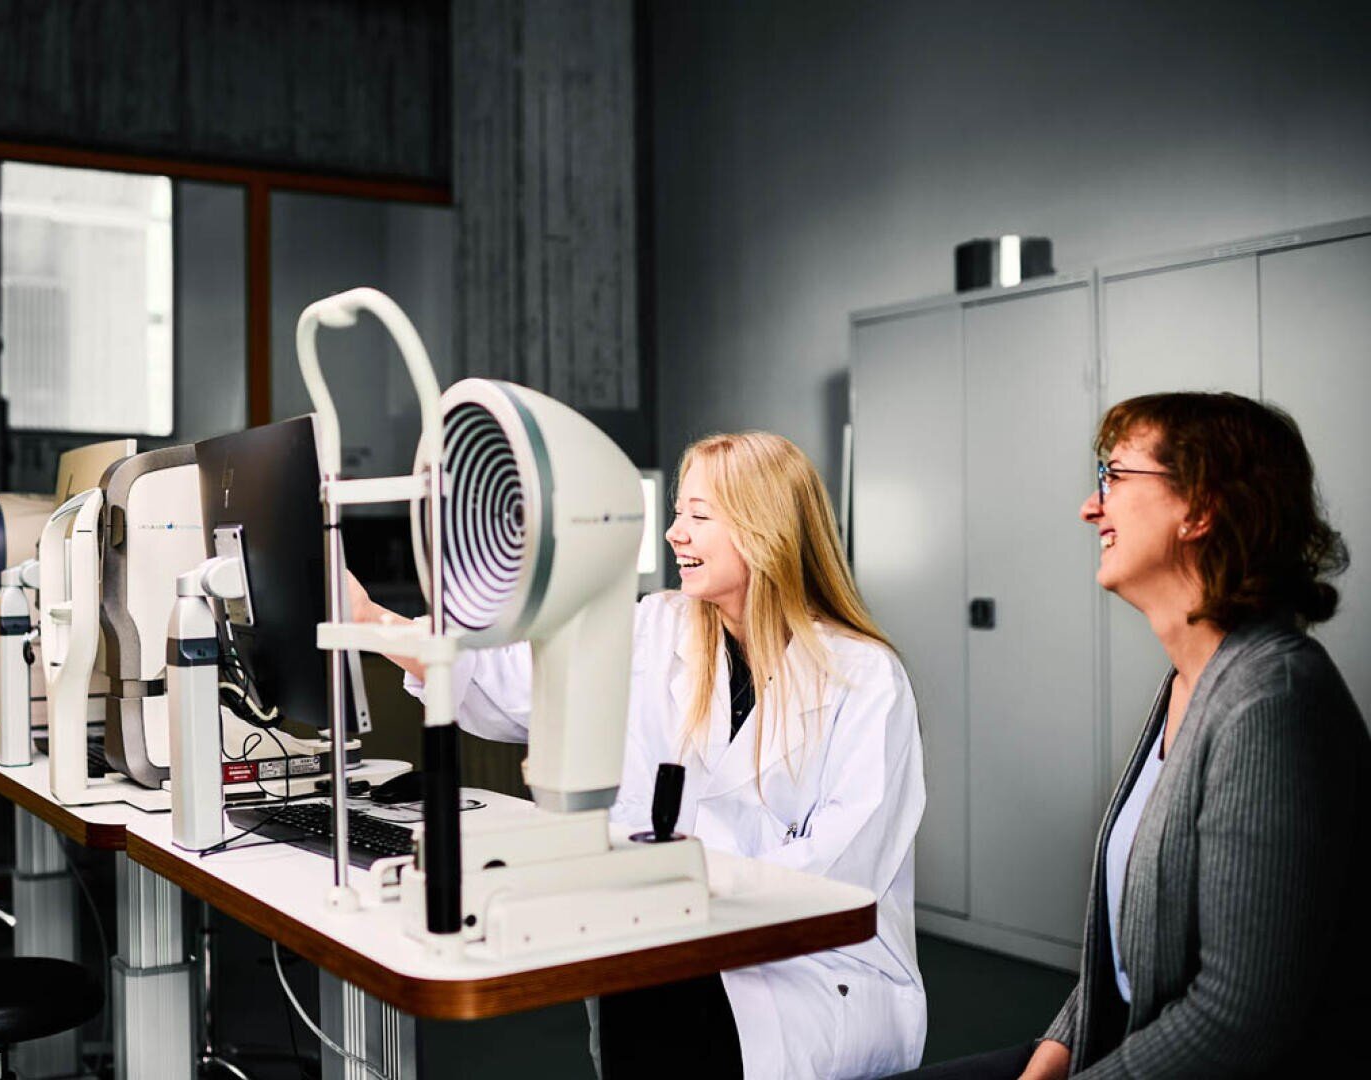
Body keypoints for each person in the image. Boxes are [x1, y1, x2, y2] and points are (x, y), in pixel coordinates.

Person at [350, 431, 927, 1079]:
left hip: (804, 977)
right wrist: (369, 620)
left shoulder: (864, 678)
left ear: (767, 532)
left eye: (699, 516)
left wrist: (670, 887)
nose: (675, 534)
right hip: (667, 947)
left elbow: (839, 874)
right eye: (677, 513)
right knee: (644, 995)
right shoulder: (658, 627)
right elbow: (505, 679)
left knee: (670, 1002)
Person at [900, 391, 1369, 1079]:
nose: (1091, 508)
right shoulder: (1188, 680)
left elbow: (1237, 1021)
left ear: (1201, 508)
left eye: (1115, 476)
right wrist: (1049, 1060)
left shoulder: (1271, 699)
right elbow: (1126, 961)